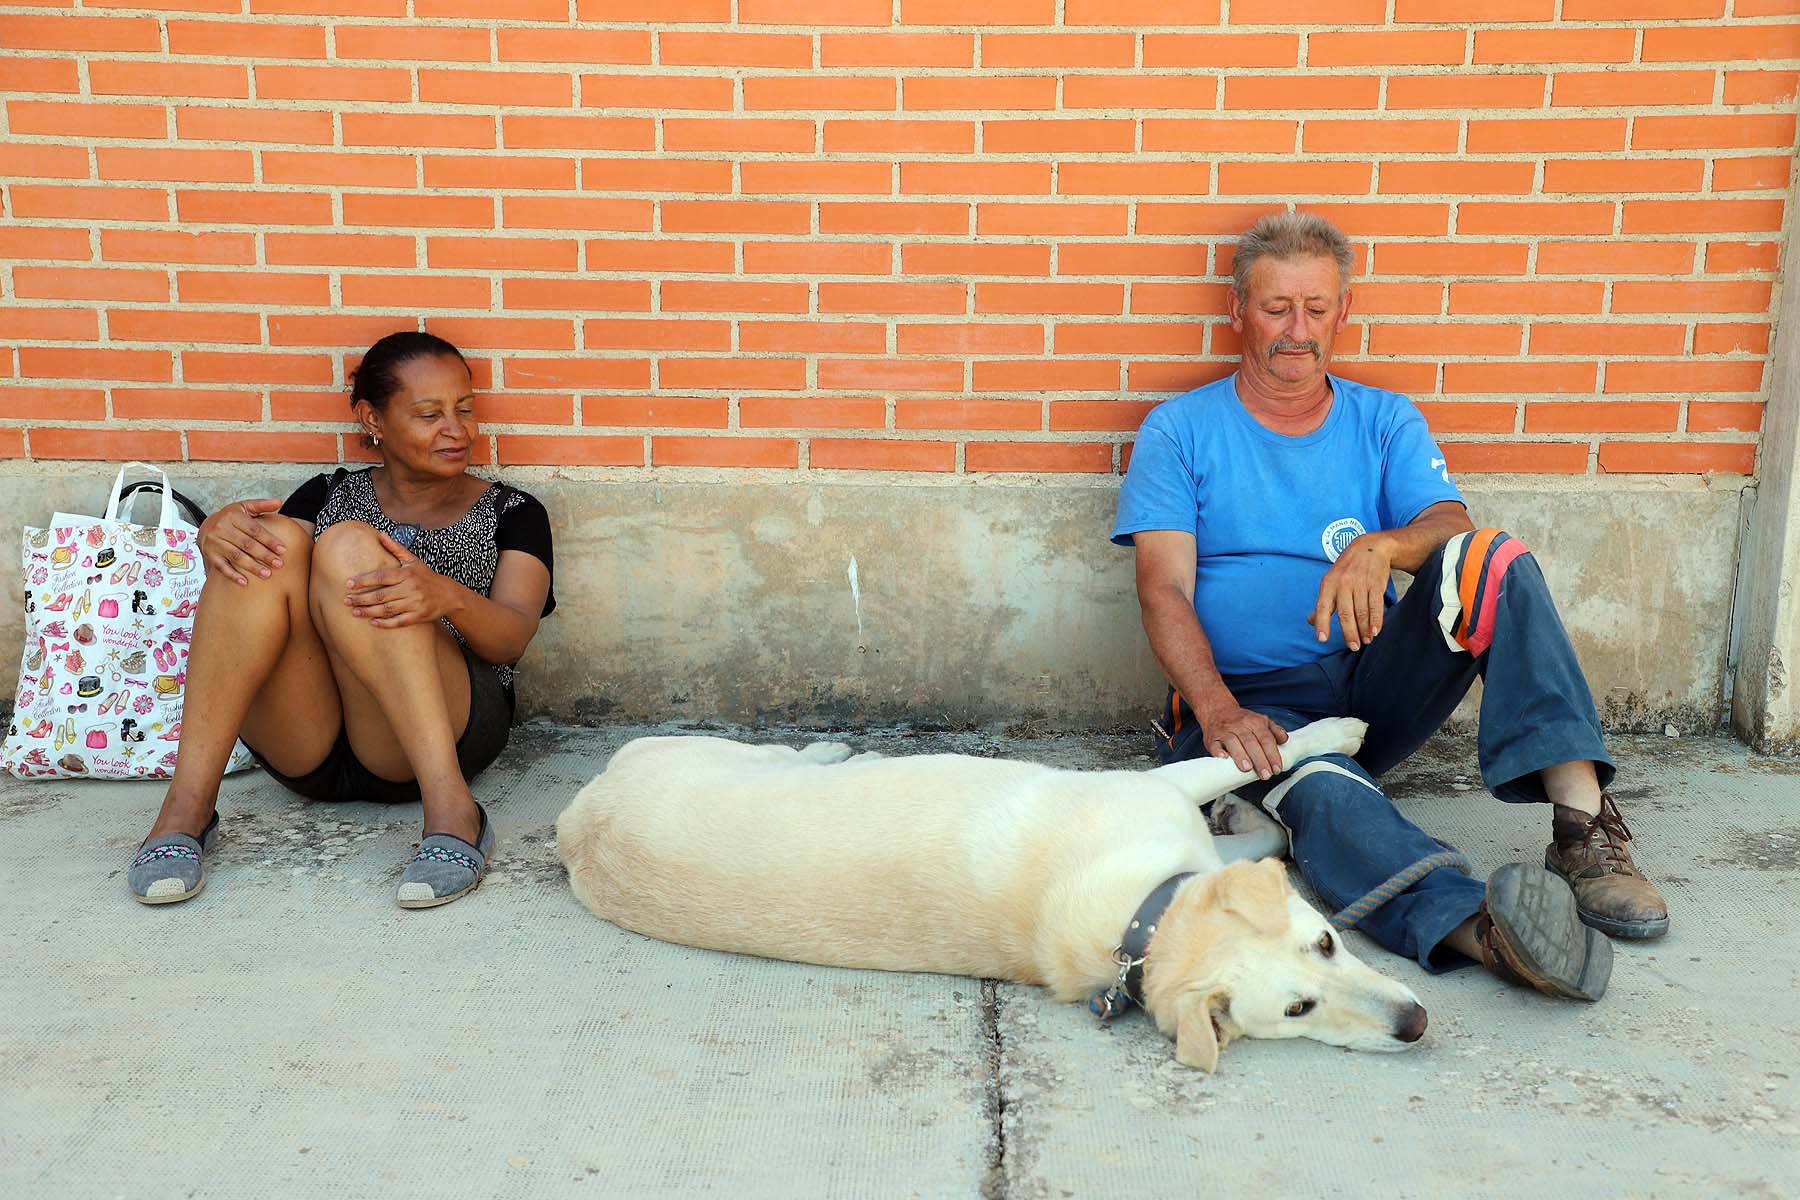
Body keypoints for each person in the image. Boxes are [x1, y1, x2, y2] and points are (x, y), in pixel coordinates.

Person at [1111, 212, 1669, 1002]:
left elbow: (1450, 529)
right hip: (1256, 711)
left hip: (1374, 682)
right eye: (1276, 308)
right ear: (1237, 312)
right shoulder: (1180, 430)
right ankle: (1484, 931)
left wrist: (1379, 547)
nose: (1296, 330)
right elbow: (1161, 587)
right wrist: (1220, 708)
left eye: (1316, 309)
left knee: (1491, 557)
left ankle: (1583, 832)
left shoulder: (1384, 419)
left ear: (1344, 312)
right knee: (1327, 797)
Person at [127, 331, 555, 909]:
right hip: (314, 744)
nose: (458, 431)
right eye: (430, 414)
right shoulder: (328, 494)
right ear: (371, 420)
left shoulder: (514, 512)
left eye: (465, 410)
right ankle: (187, 807)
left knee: (350, 549)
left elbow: (512, 638)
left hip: (441, 735)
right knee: (268, 544)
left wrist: (444, 597)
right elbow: (260, 585)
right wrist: (219, 537)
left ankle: (454, 813)